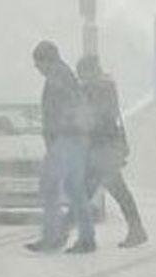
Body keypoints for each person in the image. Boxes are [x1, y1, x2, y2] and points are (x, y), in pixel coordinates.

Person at [26, 41, 96, 254]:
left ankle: (53, 236)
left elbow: (60, 111)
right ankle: (86, 237)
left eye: (38, 63)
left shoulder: (57, 78)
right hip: (74, 139)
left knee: (49, 187)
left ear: (46, 60)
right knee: (74, 190)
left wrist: (55, 134)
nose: (37, 69)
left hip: (65, 139)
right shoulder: (65, 75)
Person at [77, 55, 148, 248]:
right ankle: (136, 229)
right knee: (114, 191)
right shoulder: (105, 87)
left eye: (83, 74)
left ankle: (70, 236)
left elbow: (97, 120)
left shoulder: (99, 89)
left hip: (102, 150)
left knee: (86, 193)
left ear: (91, 71)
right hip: (106, 149)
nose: (81, 78)